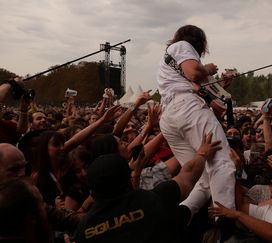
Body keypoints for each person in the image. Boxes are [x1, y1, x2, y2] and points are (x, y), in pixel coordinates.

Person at [75, 133, 222, 243]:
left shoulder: (84, 229)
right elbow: (187, 177)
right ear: (127, 177)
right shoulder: (150, 200)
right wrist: (202, 153)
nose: (126, 144)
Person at [157, 25, 236, 216]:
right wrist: (207, 69)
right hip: (186, 108)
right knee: (222, 163)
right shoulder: (182, 45)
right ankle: (225, 224)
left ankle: (179, 218)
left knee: (201, 177)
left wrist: (220, 84)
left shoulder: (170, 63)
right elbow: (194, 73)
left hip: (169, 116)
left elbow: (201, 87)